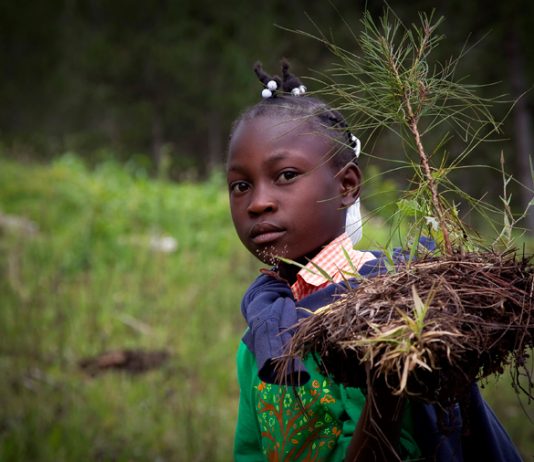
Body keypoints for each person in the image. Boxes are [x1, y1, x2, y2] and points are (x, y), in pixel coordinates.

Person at [227, 60, 522, 462]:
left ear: (347, 186)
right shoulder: (261, 333)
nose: (258, 202)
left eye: (286, 175)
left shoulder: (397, 301)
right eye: (241, 186)